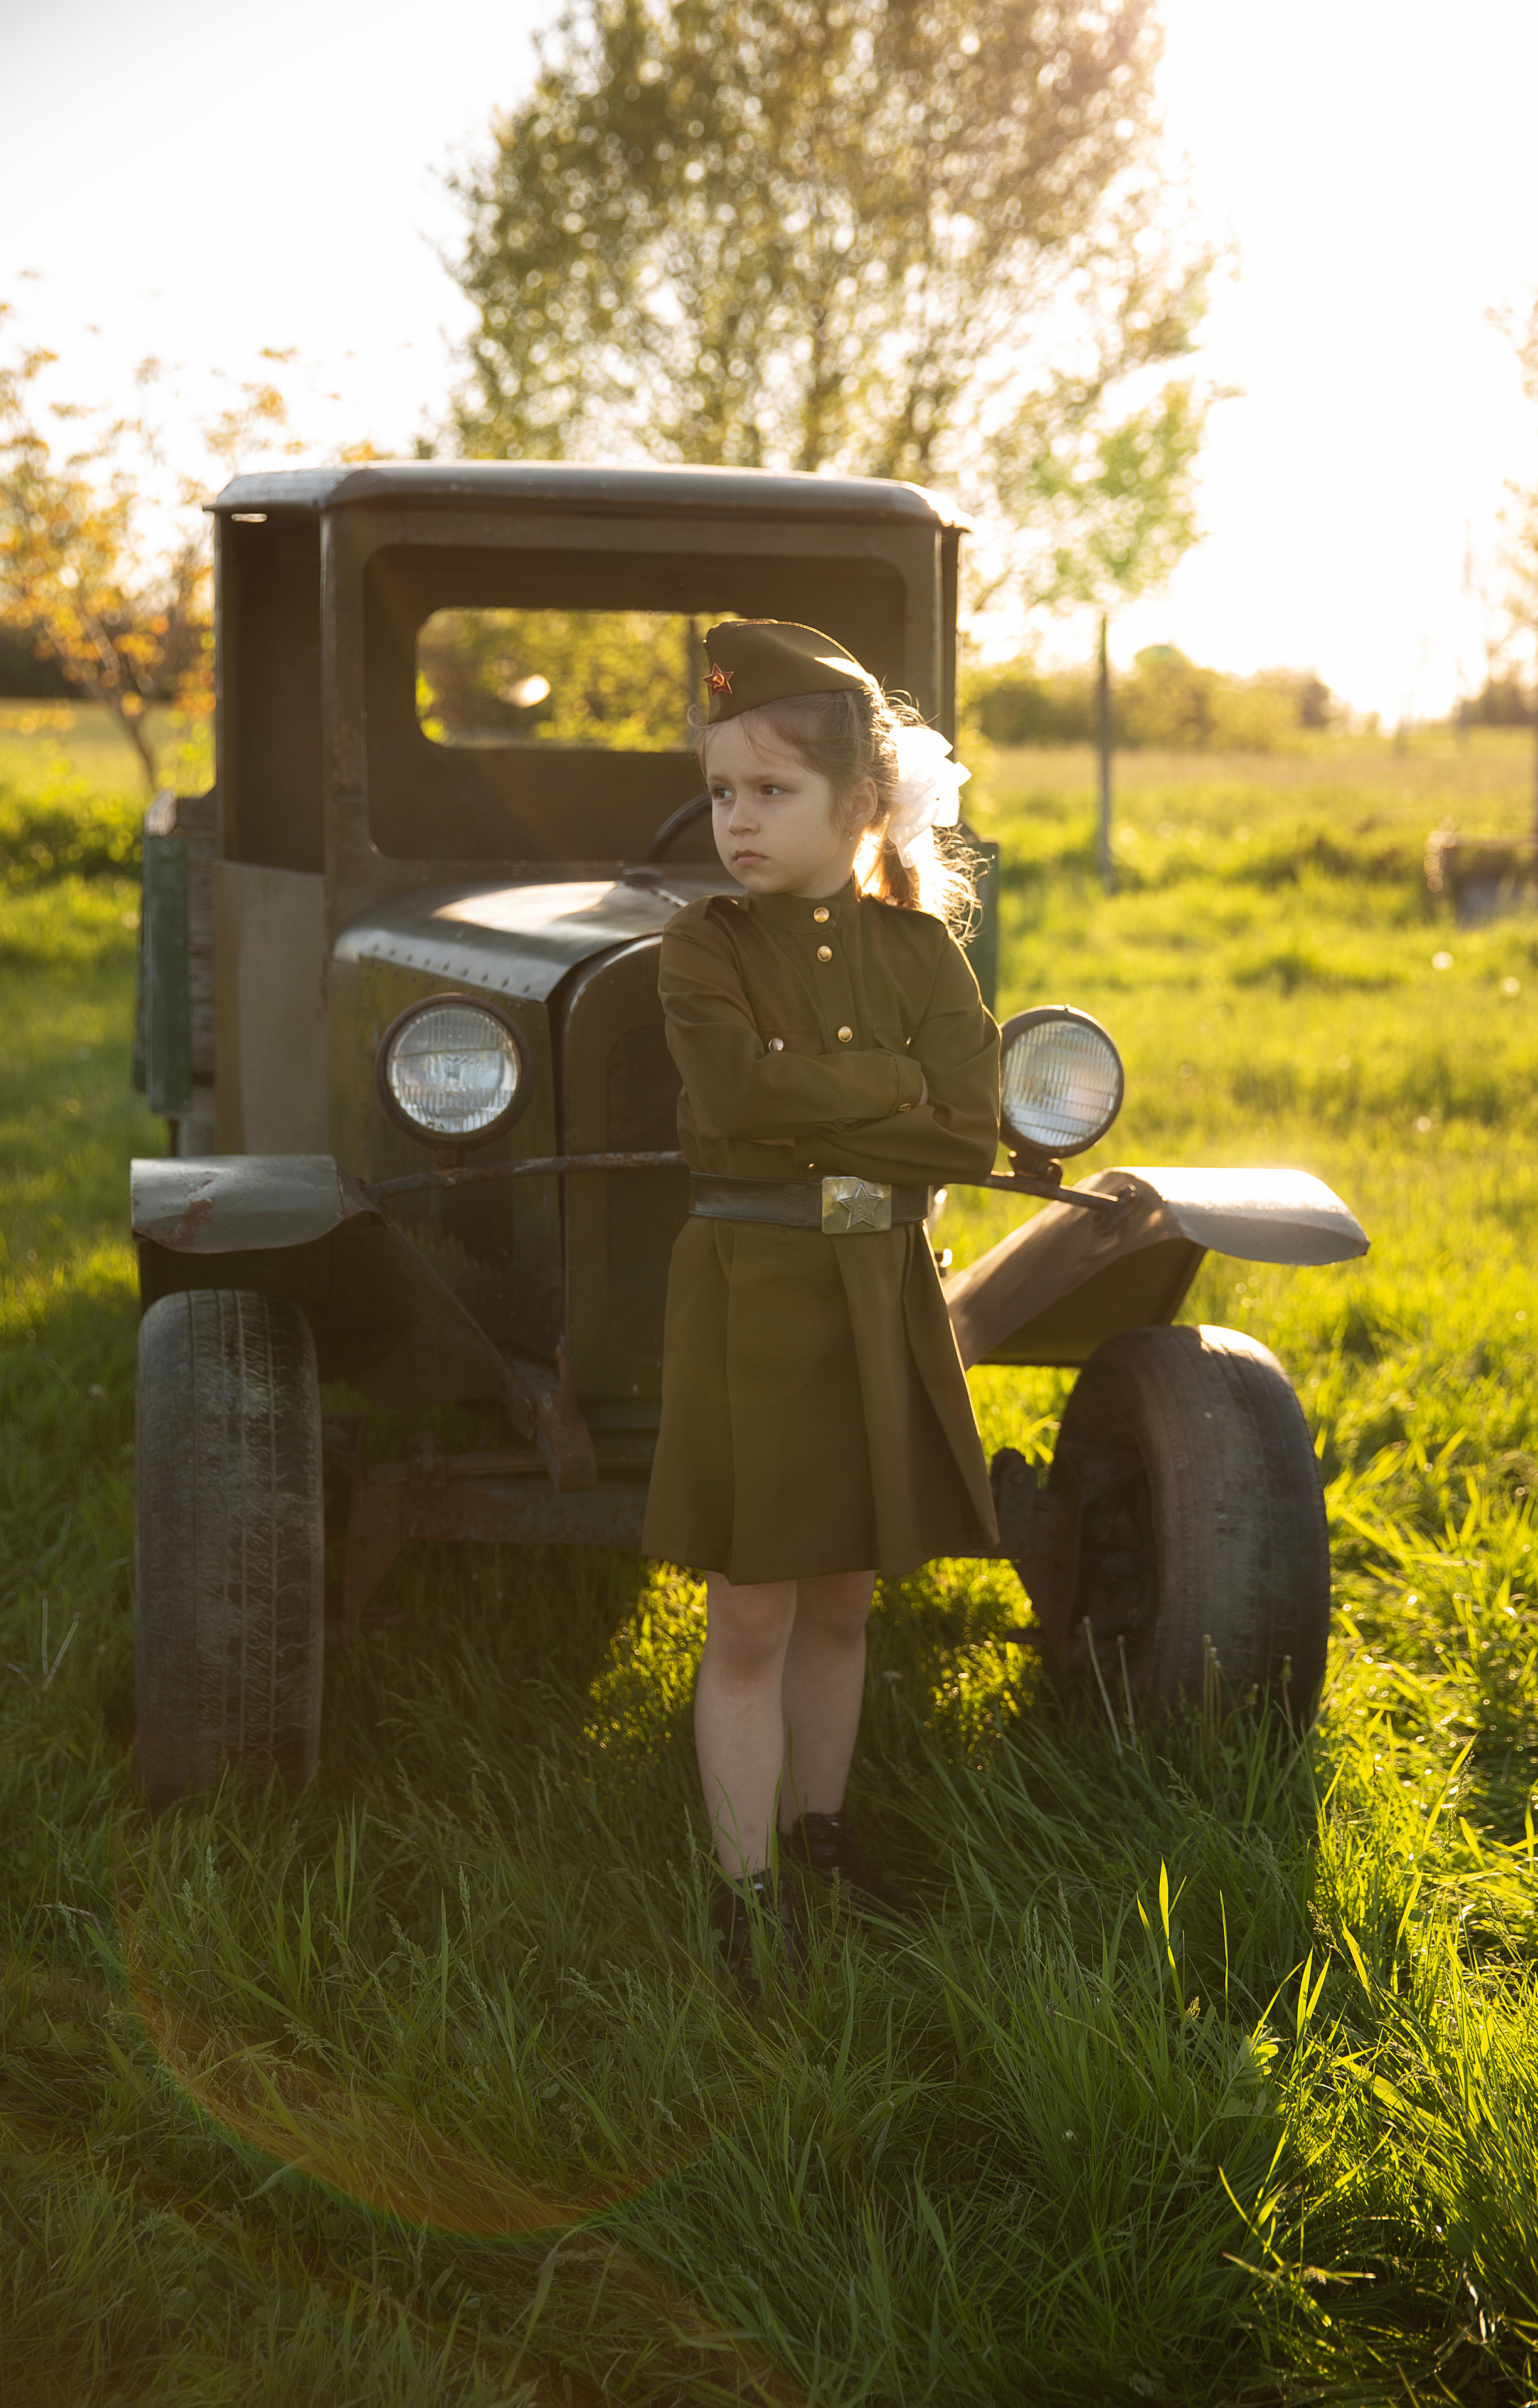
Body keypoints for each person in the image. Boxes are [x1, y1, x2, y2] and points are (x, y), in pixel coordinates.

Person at [642, 619, 1001, 1984]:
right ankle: (739, 1894)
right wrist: (891, 1098)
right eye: (723, 791)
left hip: (877, 1289)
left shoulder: (920, 955)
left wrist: (856, 1106)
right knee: (751, 1613)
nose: (736, 820)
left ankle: (820, 1833)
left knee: (842, 1601)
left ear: (861, 807)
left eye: (771, 793)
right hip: (756, 1297)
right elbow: (731, 1094)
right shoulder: (701, 945)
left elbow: (967, 1132)